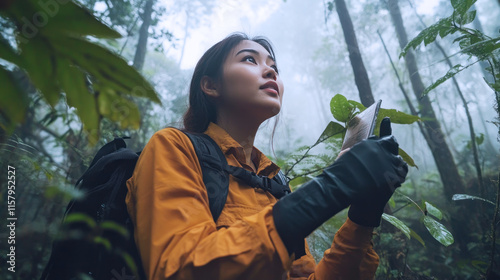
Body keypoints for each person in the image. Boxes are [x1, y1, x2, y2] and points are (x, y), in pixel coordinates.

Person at [125, 32, 408, 280]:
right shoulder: (174, 147)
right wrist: (329, 188)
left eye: (274, 67)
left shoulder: (274, 181)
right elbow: (176, 268)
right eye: (250, 59)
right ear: (211, 85)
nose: (271, 72)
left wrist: (363, 216)